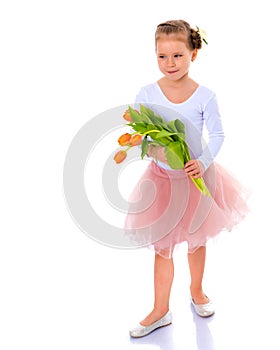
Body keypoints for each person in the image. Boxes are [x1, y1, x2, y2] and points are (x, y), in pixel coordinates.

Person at [125, 19, 250, 338]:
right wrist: (155, 151)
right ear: (155, 55)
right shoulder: (147, 92)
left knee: (197, 240)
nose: (170, 63)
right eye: (162, 56)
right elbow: (140, 135)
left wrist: (202, 159)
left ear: (193, 53)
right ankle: (160, 309)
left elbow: (219, 133)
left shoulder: (204, 95)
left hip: (197, 180)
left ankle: (197, 290)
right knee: (162, 247)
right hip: (162, 182)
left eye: (178, 56)